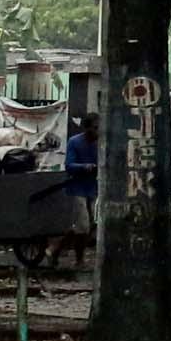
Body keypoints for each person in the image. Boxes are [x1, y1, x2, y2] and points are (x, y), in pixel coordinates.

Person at [60, 112, 99, 271]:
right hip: (77, 188)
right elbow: (69, 165)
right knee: (83, 225)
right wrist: (85, 167)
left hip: (93, 187)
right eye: (95, 128)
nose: (97, 131)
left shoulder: (101, 144)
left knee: (90, 225)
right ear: (87, 128)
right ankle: (79, 259)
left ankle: (55, 248)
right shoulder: (75, 142)